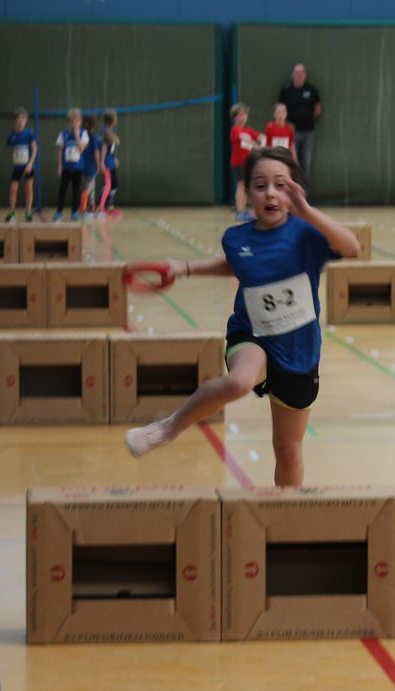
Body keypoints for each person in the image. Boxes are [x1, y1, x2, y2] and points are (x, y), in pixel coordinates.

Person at [125, 146, 361, 487]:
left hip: (299, 350)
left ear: (295, 190)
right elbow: (237, 264)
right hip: (252, 332)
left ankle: (285, 513)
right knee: (240, 380)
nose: (271, 193)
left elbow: (352, 247)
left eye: (281, 185)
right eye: (261, 185)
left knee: (288, 450)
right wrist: (185, 267)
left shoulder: (308, 235)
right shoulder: (236, 238)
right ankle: (167, 428)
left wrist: (307, 211)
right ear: (247, 192)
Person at [279, 64, 321, 193]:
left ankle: (304, 195)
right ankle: (291, 192)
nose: (299, 75)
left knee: (306, 163)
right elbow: (280, 110)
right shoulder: (286, 90)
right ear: (293, 75)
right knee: (292, 162)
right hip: (292, 133)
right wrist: (288, 123)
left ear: (305, 75)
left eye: (302, 73)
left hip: (309, 133)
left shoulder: (311, 90)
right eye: (297, 73)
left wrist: (307, 119)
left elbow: (318, 109)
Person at [230, 103, 266, 222]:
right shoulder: (236, 129)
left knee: (245, 186)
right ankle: (239, 212)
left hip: (247, 163)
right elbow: (243, 138)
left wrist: (262, 143)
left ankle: (243, 209)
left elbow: (262, 137)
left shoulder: (248, 130)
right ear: (235, 117)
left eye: (245, 114)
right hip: (238, 162)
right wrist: (258, 147)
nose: (243, 117)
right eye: (240, 115)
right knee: (241, 185)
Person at [54, 107, 89, 222]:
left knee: (76, 190)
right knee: (62, 190)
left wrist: (77, 136)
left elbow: (81, 149)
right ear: (68, 121)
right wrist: (60, 166)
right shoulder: (63, 134)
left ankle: (75, 212)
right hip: (66, 168)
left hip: (78, 168)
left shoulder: (83, 133)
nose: (75, 123)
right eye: (72, 121)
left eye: (77, 121)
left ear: (80, 121)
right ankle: (59, 212)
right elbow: (60, 150)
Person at [5, 107, 37, 222]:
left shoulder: (29, 133)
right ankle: (12, 212)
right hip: (17, 167)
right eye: (18, 118)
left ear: (26, 120)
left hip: (28, 167)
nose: (20, 121)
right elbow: (10, 149)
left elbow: (34, 149)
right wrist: (15, 158)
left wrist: (30, 164)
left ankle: (28, 211)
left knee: (28, 189)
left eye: (23, 118)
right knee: (13, 189)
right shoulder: (11, 135)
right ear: (14, 120)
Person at [98, 109, 120, 216]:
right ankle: (101, 207)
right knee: (108, 185)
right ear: (112, 119)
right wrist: (102, 162)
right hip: (106, 162)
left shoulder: (110, 130)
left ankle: (108, 205)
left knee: (114, 184)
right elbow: (104, 148)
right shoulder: (105, 131)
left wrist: (114, 158)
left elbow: (110, 149)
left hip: (110, 161)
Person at [79, 114, 101, 219]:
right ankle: (83, 208)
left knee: (91, 187)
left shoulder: (82, 136)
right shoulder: (93, 137)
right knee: (88, 188)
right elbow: (96, 152)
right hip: (91, 166)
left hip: (82, 166)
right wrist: (98, 164)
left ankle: (92, 207)